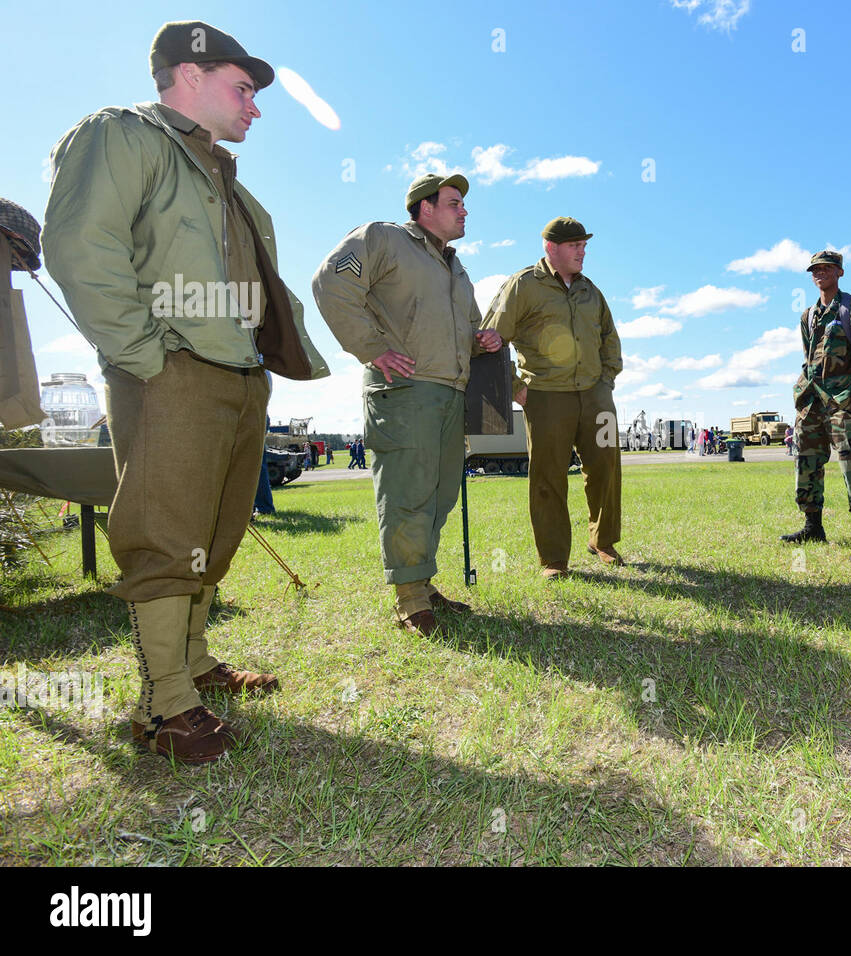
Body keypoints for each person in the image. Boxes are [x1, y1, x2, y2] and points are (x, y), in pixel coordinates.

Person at [42, 20, 331, 763]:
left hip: (235, 376)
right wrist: (144, 355)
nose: (255, 108)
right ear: (190, 74)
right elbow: (81, 244)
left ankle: (196, 666)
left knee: (217, 531)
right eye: (244, 89)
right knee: (169, 535)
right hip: (169, 370)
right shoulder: (123, 136)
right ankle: (163, 707)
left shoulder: (222, 176)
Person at [313, 173, 501, 634]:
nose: (464, 211)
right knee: (407, 493)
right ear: (425, 208)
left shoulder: (457, 268)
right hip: (404, 391)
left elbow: (466, 330)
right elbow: (329, 283)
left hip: (452, 392)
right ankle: (408, 598)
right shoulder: (382, 239)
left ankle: (423, 582)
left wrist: (482, 340)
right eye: (455, 202)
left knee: (440, 494)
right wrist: (371, 347)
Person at [482, 217, 623, 579]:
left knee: (606, 468)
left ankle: (602, 541)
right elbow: (489, 338)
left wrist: (606, 379)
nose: (582, 250)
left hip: (596, 396)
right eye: (575, 245)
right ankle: (555, 560)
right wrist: (516, 387)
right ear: (551, 248)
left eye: (584, 244)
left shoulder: (590, 290)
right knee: (548, 477)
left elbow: (610, 338)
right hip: (545, 397)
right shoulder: (523, 285)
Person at [781, 251, 851, 555]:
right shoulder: (808, 316)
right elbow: (807, 357)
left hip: (842, 399)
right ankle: (813, 527)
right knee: (807, 461)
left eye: (827, 268)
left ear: (840, 272)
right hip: (811, 401)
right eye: (815, 269)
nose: (820, 273)